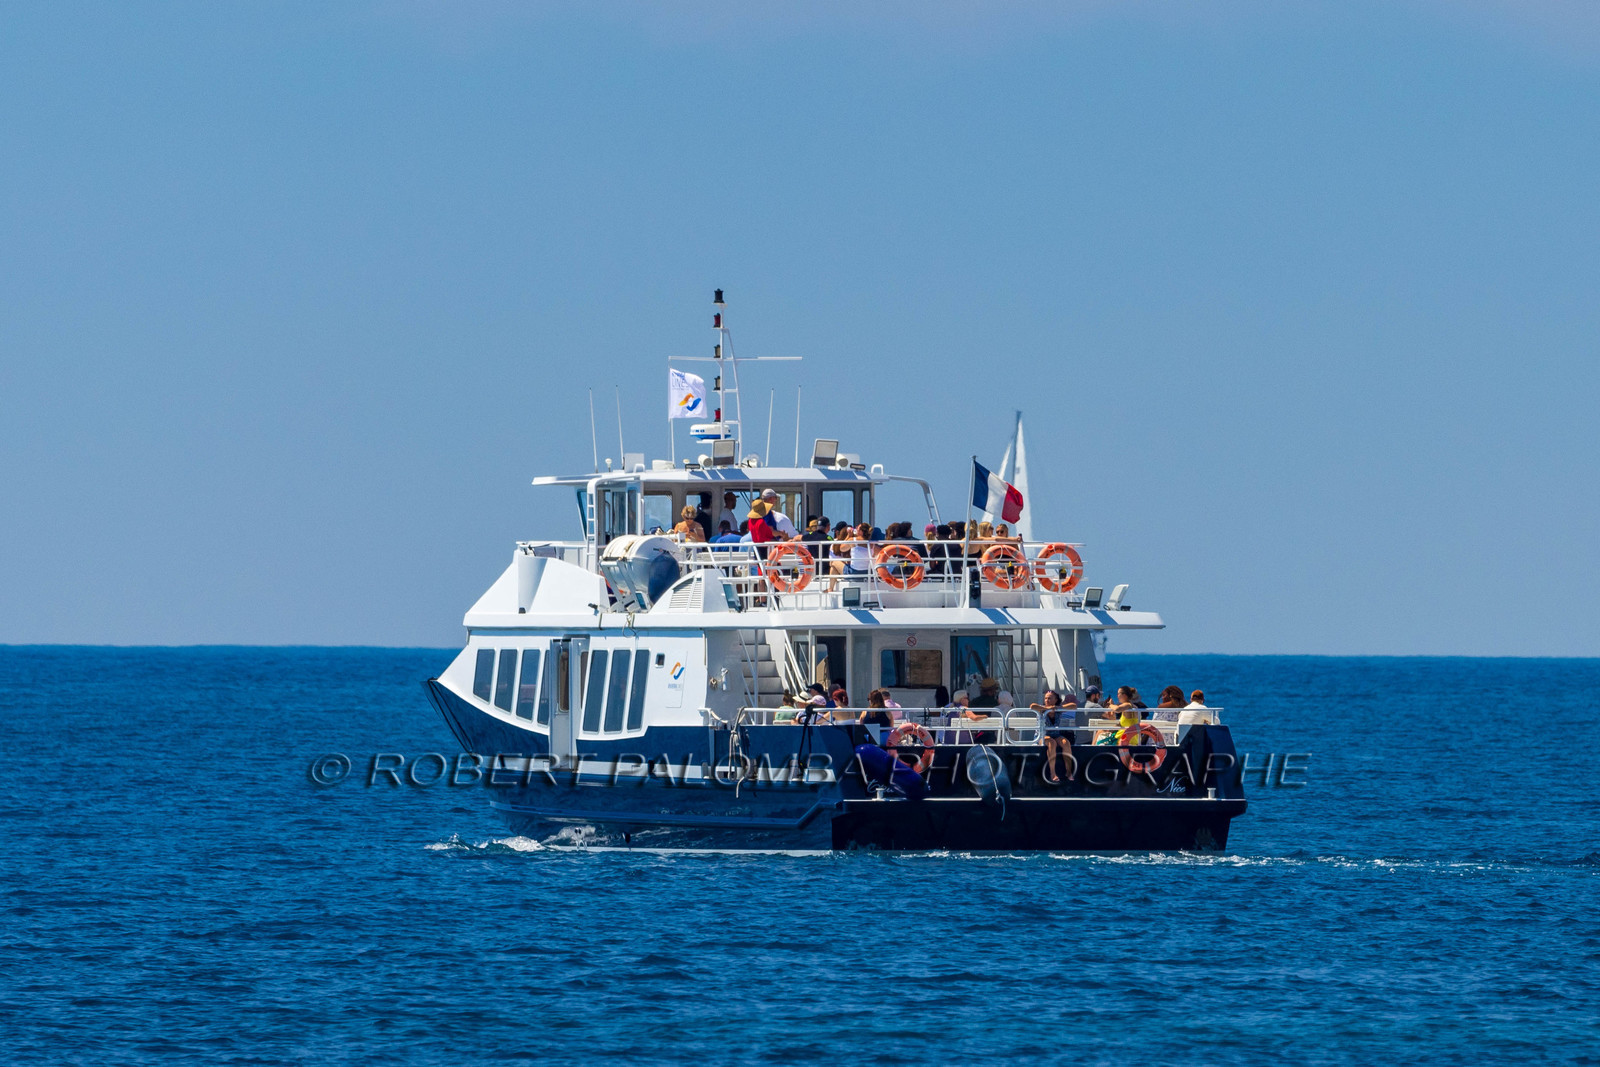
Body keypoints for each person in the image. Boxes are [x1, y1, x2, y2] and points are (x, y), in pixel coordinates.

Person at [1031, 689, 1077, 784]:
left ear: (1056, 700)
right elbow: (1032, 706)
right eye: (1046, 698)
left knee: (1066, 743)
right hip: (1042, 736)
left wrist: (1058, 707)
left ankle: (1068, 772)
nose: (1047, 700)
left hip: (1055, 734)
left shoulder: (1058, 710)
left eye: (1050, 698)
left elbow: (1074, 706)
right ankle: (1053, 773)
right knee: (1052, 743)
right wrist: (1047, 709)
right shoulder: (1041, 709)